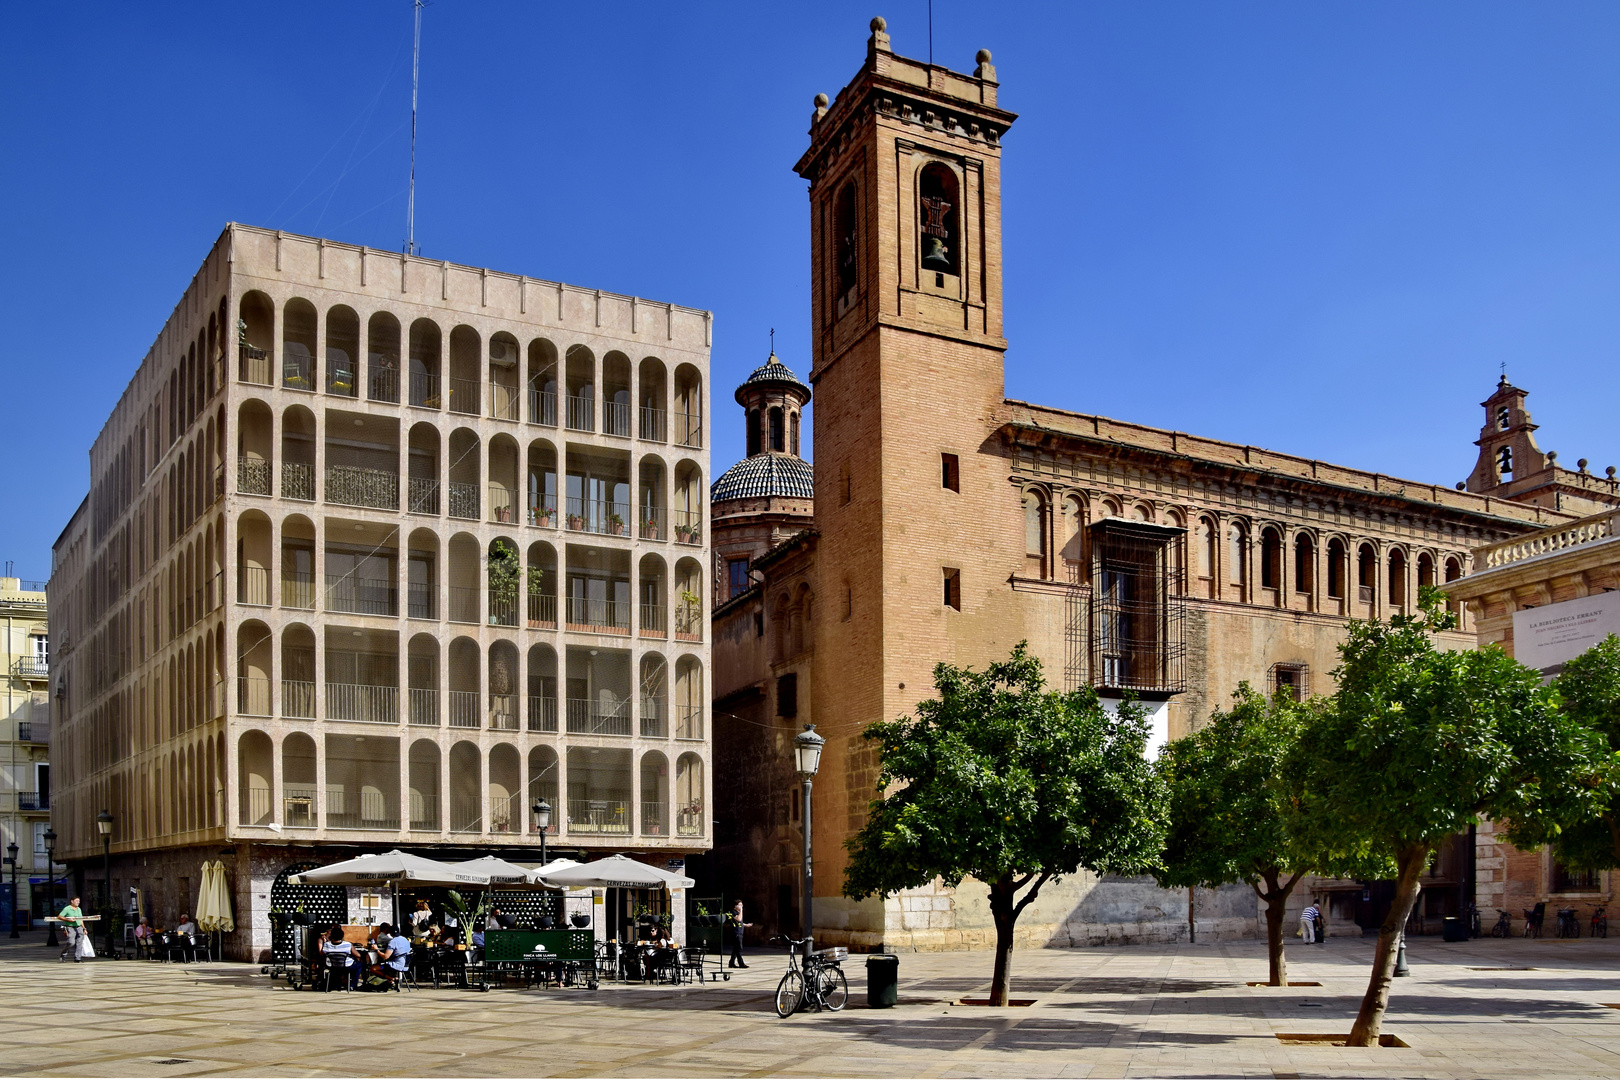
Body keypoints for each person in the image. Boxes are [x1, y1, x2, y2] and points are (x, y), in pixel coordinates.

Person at [322, 924, 360, 990]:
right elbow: (358, 955)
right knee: (359, 965)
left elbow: (323, 953)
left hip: (331, 966)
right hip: (346, 966)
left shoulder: (326, 945)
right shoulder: (348, 944)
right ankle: (353, 985)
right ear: (342, 936)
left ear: (331, 936)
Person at [58, 896, 85, 963]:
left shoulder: (79, 909)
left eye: (79, 901)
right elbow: (60, 916)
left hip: (79, 927)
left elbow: (81, 919)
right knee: (71, 942)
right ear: (72, 901)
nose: (78, 902)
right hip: (70, 927)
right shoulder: (67, 909)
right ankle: (63, 954)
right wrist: (68, 919)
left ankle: (77, 958)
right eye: (76, 901)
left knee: (79, 943)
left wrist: (84, 928)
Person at [727, 899, 750, 969]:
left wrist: (745, 925)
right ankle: (741, 963)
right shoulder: (733, 912)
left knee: (735, 949)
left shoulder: (738, 912)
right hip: (736, 932)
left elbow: (739, 922)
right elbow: (739, 919)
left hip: (740, 932)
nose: (741, 906)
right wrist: (741, 911)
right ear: (736, 906)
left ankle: (731, 963)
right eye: (740, 905)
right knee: (739, 948)